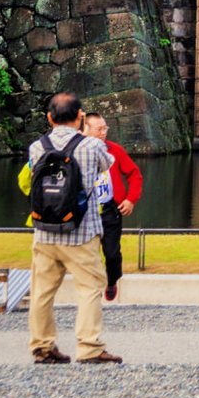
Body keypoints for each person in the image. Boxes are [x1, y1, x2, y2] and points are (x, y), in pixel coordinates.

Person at [26, 92, 120, 364]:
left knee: (42, 292)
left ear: (49, 118)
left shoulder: (36, 147)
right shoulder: (91, 146)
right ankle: (89, 347)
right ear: (80, 117)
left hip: (44, 231)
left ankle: (42, 347)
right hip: (81, 231)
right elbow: (107, 164)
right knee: (90, 288)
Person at [82, 113, 141, 302]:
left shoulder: (114, 150)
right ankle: (90, 286)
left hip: (110, 210)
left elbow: (134, 175)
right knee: (87, 253)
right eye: (98, 129)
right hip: (86, 211)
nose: (103, 133)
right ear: (86, 130)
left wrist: (130, 199)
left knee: (112, 253)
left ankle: (111, 281)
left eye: (105, 128)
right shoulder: (77, 151)